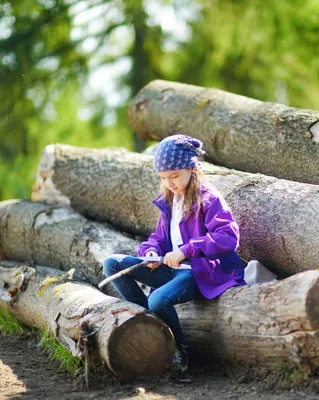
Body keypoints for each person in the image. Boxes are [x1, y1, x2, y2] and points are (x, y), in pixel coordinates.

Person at [103, 134, 246, 374]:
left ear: (191, 168)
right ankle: (148, 325)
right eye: (163, 178)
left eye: (174, 176)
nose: (169, 182)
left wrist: (186, 250)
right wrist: (150, 252)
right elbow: (158, 238)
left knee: (158, 299)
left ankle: (179, 348)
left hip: (197, 272)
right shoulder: (171, 201)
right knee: (112, 264)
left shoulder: (208, 199)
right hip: (170, 269)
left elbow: (228, 237)